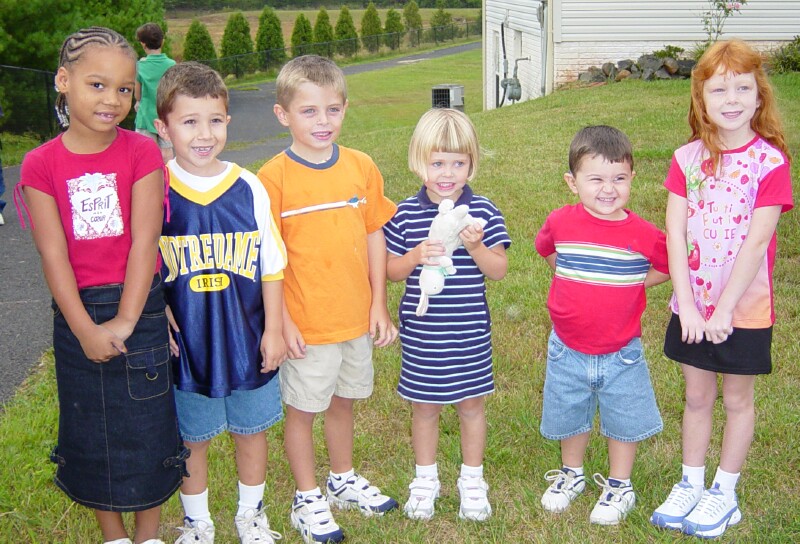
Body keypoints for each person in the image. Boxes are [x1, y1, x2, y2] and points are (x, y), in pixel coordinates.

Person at [17, 27, 185, 544]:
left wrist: (128, 318)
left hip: (140, 305)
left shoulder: (141, 152)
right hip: (78, 314)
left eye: (124, 89)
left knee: (149, 428)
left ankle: (148, 534)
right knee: (91, 433)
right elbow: (53, 255)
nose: (112, 99)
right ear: (63, 81)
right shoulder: (39, 164)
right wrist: (86, 329)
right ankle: (113, 536)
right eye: (97, 84)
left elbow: (144, 240)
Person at [650, 40, 793, 539]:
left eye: (743, 88)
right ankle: (690, 482)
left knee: (736, 398)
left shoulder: (770, 163)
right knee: (695, 395)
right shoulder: (685, 159)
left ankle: (724, 493)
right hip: (692, 306)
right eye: (719, 89)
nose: (731, 99)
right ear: (701, 98)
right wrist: (688, 305)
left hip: (743, 308)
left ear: (759, 96)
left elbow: (757, 243)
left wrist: (725, 309)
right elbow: (675, 233)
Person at [257, 54, 399, 544]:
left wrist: (378, 303)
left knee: (344, 402)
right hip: (307, 326)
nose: (323, 121)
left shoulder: (361, 166)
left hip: (354, 318)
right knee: (303, 410)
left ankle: (341, 478)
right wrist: (283, 322)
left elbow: (375, 233)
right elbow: (268, 259)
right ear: (283, 115)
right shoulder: (272, 179)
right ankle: (306, 496)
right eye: (309, 111)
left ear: (345, 109)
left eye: (332, 110)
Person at [153, 62, 287, 544]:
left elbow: (271, 264)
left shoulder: (248, 185)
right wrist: (156, 310)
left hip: (246, 335)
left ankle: (251, 515)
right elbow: (142, 263)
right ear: (163, 127)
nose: (204, 134)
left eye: (214, 120)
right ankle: (198, 522)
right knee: (193, 438)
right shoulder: (155, 187)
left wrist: (274, 330)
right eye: (189, 122)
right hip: (188, 343)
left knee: (252, 431)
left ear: (228, 121)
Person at [534, 125, 670, 526]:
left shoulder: (644, 234)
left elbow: (668, 267)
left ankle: (619, 484)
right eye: (596, 179)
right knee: (569, 412)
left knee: (623, 418)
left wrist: (630, 282)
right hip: (567, 346)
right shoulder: (560, 222)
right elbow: (549, 252)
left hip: (621, 351)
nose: (608, 189)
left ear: (632, 179)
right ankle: (571, 474)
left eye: (619, 178)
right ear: (572, 182)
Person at [383, 108, 509, 522]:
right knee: (424, 407)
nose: (447, 174)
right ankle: (425, 479)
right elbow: (390, 271)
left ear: (472, 164)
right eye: (437, 163)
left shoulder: (483, 211)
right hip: (424, 333)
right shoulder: (404, 213)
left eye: (458, 163)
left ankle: (472, 479)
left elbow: (499, 269)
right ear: (419, 161)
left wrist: (475, 247)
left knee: (472, 405)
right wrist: (415, 256)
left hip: (469, 331)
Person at [134, 22, 175, 163]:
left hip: (145, 118)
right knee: (167, 153)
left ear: (143, 44)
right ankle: (168, 175)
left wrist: (137, 102)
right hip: (165, 116)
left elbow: (137, 95)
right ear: (162, 41)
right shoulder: (171, 65)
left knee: (145, 155)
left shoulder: (140, 65)